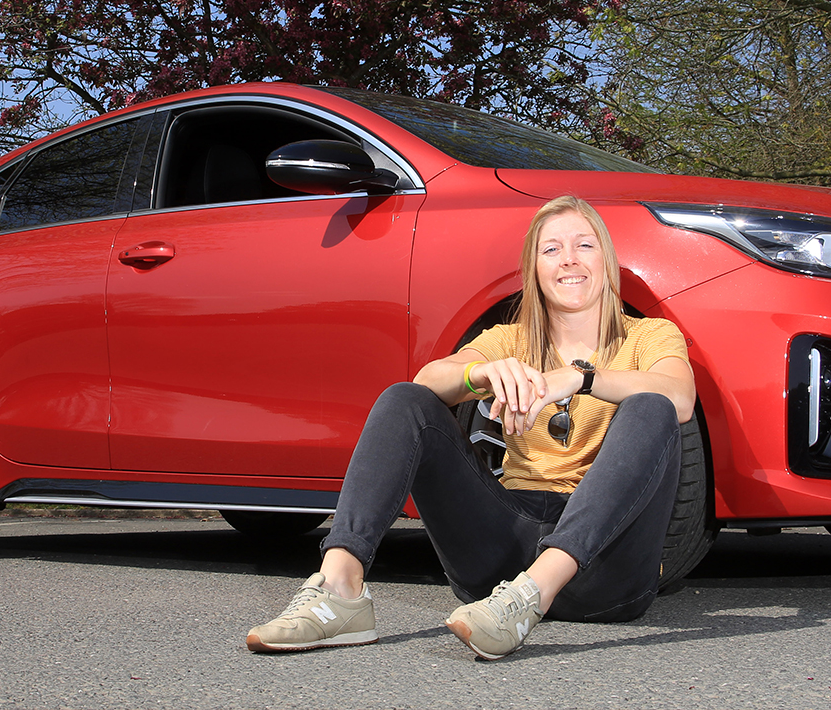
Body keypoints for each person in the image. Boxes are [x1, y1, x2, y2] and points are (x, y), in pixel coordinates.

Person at [245, 195, 696, 660]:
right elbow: (426, 382)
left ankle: (535, 594)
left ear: (607, 259)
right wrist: (478, 375)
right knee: (406, 399)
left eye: (584, 245)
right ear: (534, 270)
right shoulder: (509, 339)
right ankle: (340, 588)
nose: (569, 260)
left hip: (603, 567)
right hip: (502, 556)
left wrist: (579, 377)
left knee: (653, 405)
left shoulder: (649, 336)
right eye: (551, 249)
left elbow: (680, 397)